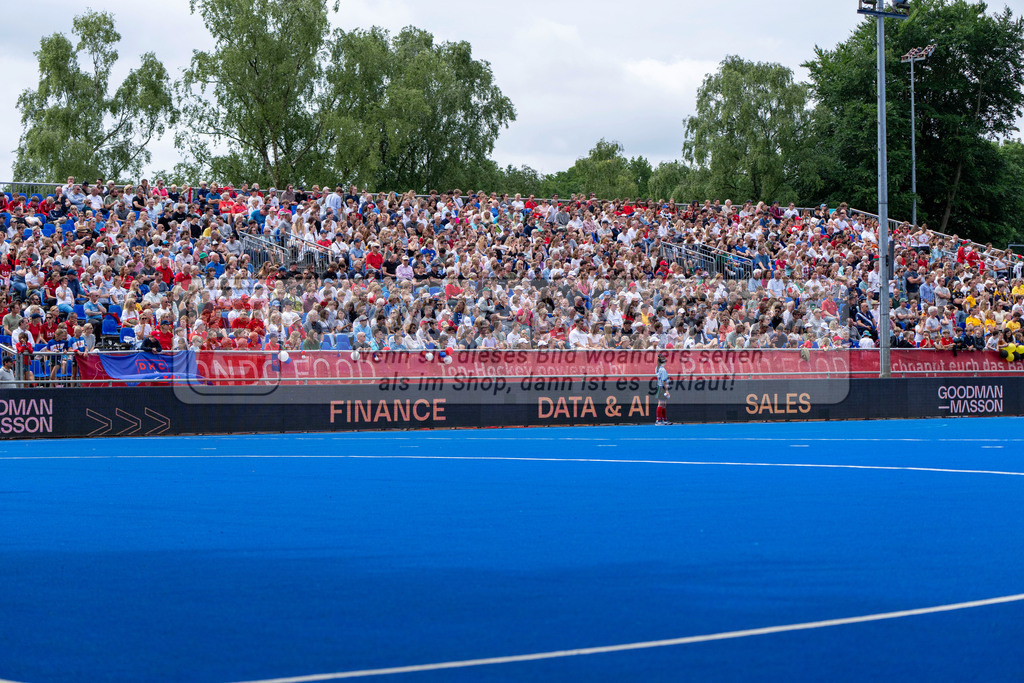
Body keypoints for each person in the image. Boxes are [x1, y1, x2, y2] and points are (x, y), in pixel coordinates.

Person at [655, 353, 670, 426]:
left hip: (659, 386)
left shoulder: (657, 368)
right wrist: (667, 390)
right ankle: (658, 420)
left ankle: (664, 419)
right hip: (662, 387)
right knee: (661, 403)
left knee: (663, 404)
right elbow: (664, 381)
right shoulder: (663, 370)